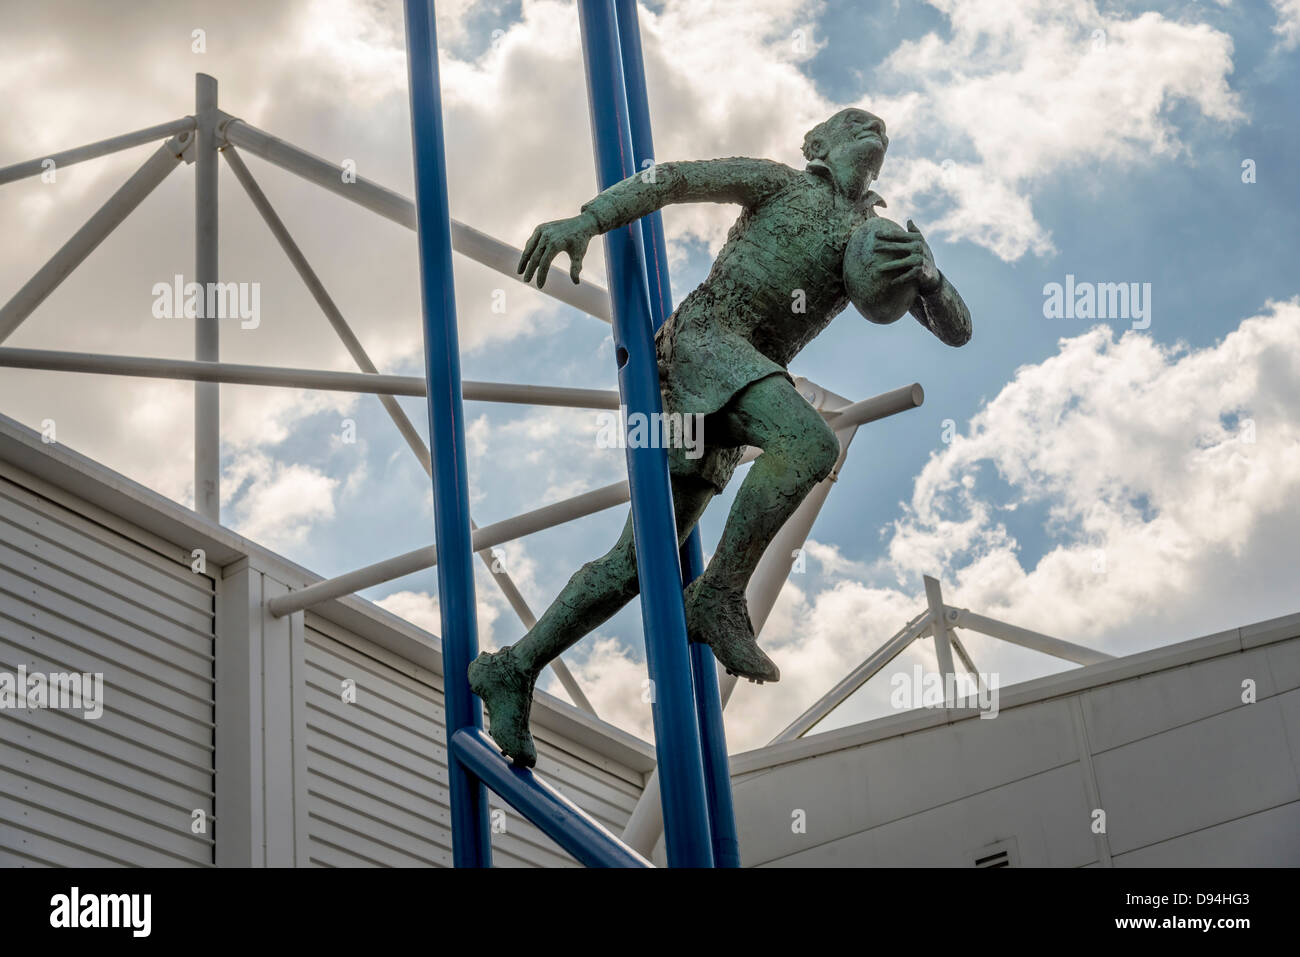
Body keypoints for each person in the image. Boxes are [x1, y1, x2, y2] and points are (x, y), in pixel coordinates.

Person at [470, 108, 972, 766]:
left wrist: (931, 278)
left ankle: (513, 667)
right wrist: (586, 219)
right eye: (855, 124)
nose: (872, 130)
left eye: (881, 130)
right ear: (816, 142)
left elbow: (957, 331)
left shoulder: (874, 238)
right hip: (706, 341)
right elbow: (674, 179)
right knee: (811, 444)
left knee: (634, 563)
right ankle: (717, 594)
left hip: (742, 383)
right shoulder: (780, 184)